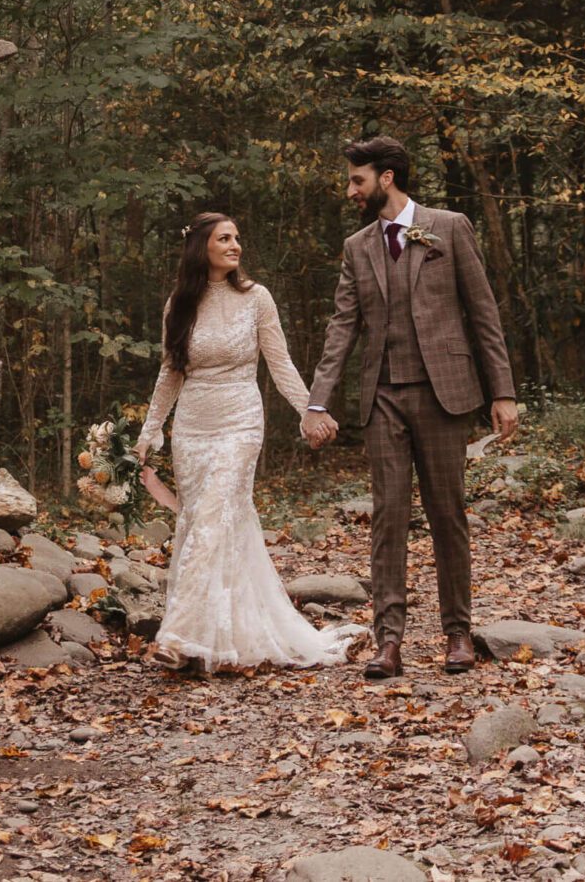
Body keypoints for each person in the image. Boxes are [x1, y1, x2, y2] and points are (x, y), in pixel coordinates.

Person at [302, 136, 518, 678]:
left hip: (446, 394)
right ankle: (389, 641)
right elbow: (342, 327)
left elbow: (483, 312)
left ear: (388, 178)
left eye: (358, 180)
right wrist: (316, 401)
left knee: (448, 515)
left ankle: (457, 634)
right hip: (382, 398)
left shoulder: (449, 226)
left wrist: (503, 391)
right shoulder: (357, 247)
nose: (350, 190)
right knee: (388, 517)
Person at [137, 213, 366, 671]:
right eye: (225, 238)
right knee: (202, 525)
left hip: (241, 422)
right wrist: (150, 429)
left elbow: (279, 363)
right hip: (192, 429)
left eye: (238, 237)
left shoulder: (256, 298)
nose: (236, 245)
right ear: (202, 246)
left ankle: (177, 635)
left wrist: (310, 410)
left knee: (213, 517)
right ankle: (223, 635)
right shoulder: (178, 304)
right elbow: (170, 371)